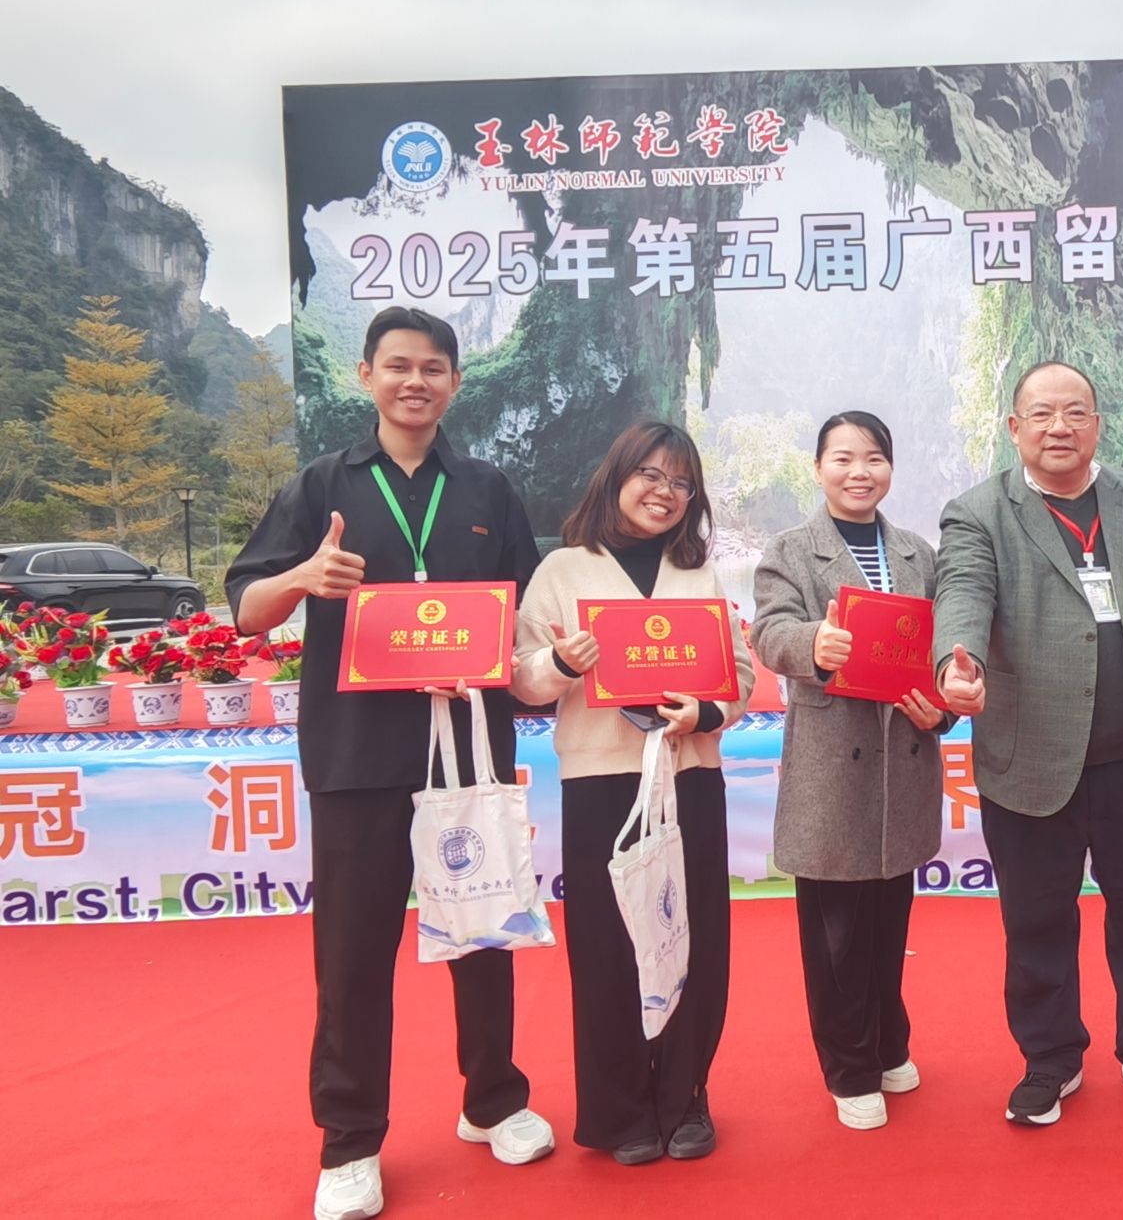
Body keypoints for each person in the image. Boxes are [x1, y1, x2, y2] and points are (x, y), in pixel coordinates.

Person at [227, 306, 552, 1220]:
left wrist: (529, 659)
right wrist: (302, 578)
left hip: (469, 751)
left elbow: (527, 613)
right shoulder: (321, 484)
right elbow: (246, 607)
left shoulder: (488, 489)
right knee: (352, 956)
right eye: (399, 365)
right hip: (357, 757)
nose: (417, 381)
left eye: (434, 367)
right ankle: (350, 1142)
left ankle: (494, 1101)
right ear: (366, 374)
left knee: (484, 932)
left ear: (455, 382)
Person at [933, 361, 1123, 1126]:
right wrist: (955, 663)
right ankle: (1049, 1060)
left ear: (1097, 423)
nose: (1059, 426)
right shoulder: (978, 512)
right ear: (1014, 427)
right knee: (1037, 922)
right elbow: (962, 592)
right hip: (1030, 758)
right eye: (1042, 413)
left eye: (1075, 412)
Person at [510, 420, 753, 1163]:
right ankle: (619, 1108)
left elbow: (739, 673)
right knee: (608, 945)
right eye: (650, 474)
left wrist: (705, 713)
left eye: (681, 482)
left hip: (689, 775)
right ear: (616, 476)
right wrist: (559, 663)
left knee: (694, 936)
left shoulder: (697, 573)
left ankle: (686, 1096)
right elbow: (521, 678)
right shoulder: (563, 570)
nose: (665, 492)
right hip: (600, 779)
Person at [750, 410, 950, 1132]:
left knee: (890, 918)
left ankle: (888, 1040)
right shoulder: (790, 551)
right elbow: (769, 630)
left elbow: (942, 646)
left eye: (873, 458)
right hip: (832, 764)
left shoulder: (919, 552)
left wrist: (942, 704)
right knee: (836, 932)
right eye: (842, 458)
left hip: (904, 756)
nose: (859, 471)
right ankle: (849, 1065)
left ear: (890, 469)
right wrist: (814, 642)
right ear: (818, 468)